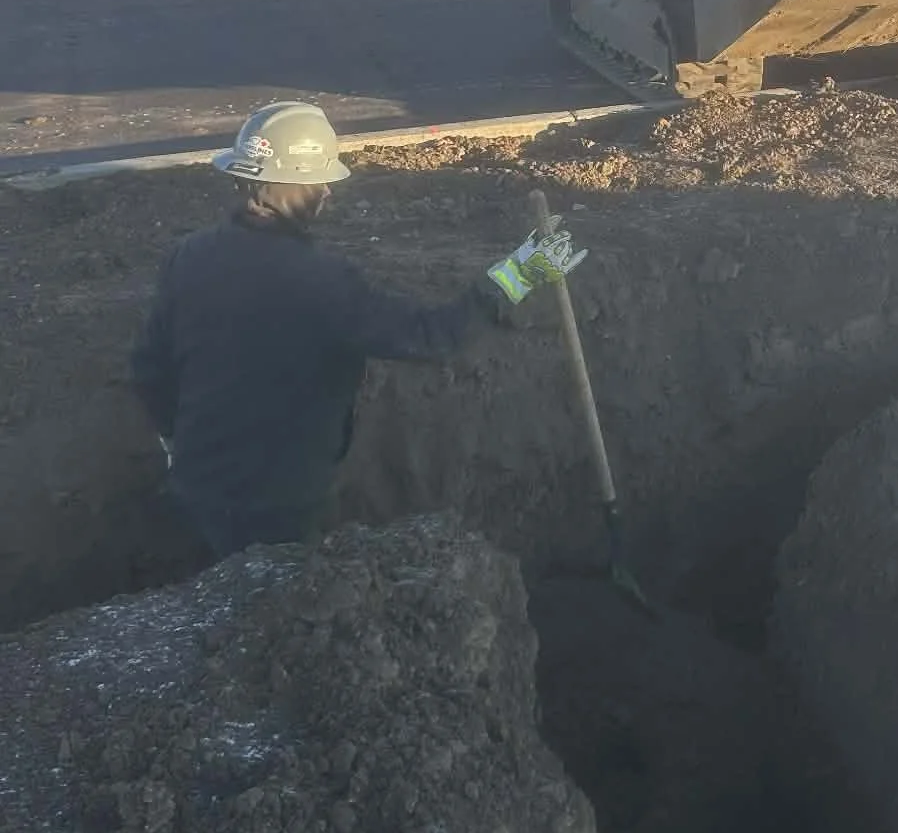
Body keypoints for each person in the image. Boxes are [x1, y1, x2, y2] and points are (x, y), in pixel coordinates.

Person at [130, 100, 586, 560]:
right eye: (317, 180)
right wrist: (516, 277)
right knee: (277, 603)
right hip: (279, 503)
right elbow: (433, 337)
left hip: (198, 490)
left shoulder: (187, 257)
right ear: (282, 185)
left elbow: (149, 368)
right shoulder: (323, 283)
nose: (327, 191)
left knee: (217, 600)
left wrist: (181, 444)